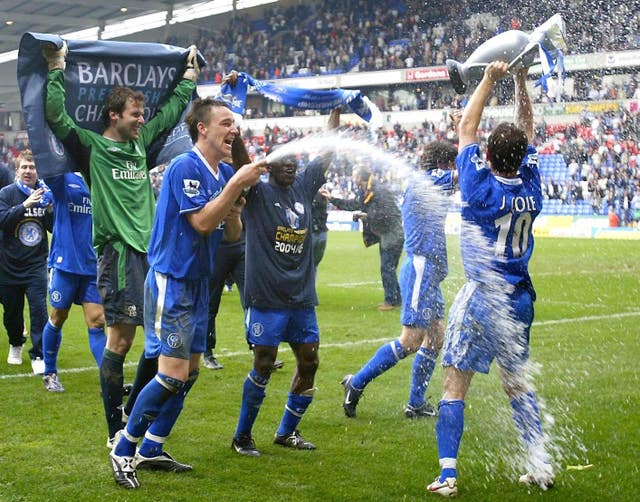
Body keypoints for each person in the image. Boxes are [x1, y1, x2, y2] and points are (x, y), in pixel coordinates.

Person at [43, 42, 199, 445]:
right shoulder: (93, 147)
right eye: (134, 115)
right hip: (117, 252)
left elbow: (169, 113)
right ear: (114, 115)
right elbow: (56, 116)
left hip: (152, 252)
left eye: (141, 115)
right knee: (121, 340)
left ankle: (130, 414)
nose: (141, 120)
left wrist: (189, 75)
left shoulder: (140, 144)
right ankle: (116, 430)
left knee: (158, 339)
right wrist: (57, 66)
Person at [109, 97, 267, 489]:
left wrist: (234, 206)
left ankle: (152, 448)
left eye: (235, 123)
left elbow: (231, 234)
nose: (235, 130)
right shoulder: (186, 167)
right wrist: (233, 185)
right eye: (227, 123)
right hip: (172, 280)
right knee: (173, 374)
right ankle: (123, 448)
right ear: (203, 128)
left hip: (197, 283)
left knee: (190, 373)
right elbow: (199, 222)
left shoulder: (219, 172)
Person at [427, 62, 553, 497]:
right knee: (517, 384)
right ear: (522, 158)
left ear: (488, 157)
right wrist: (521, 82)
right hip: (519, 299)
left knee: (455, 382)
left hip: (483, 297)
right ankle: (539, 464)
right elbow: (527, 131)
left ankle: (447, 474)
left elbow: (466, 125)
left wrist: (488, 79)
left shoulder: (479, 187)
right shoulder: (532, 188)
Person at [230, 108, 340, 457]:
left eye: (294, 160)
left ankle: (286, 432)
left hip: (301, 298)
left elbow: (328, 151)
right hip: (266, 297)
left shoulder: (305, 187)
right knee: (263, 363)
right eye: (284, 161)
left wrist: (334, 109)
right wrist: (234, 131)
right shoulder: (258, 194)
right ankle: (242, 436)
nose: (291, 165)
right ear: (270, 165)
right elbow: (240, 160)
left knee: (309, 362)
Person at [341, 141, 458, 419]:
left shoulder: (423, 181)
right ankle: (356, 383)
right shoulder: (428, 182)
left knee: (436, 335)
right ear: (442, 164)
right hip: (420, 267)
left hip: (427, 271)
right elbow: (465, 172)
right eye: (451, 163)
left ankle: (415, 403)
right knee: (410, 340)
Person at [40, 171, 106, 392]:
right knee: (58, 316)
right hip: (65, 263)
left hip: (91, 264)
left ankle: (109, 379)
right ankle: (50, 373)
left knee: (97, 321)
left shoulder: (98, 178)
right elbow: (48, 174)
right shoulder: (63, 177)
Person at [322, 166, 403, 311]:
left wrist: (366, 216)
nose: (353, 178)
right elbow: (352, 204)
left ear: (360, 177)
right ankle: (395, 299)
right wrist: (332, 199)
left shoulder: (379, 191)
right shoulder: (364, 191)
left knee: (387, 268)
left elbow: (390, 214)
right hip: (386, 235)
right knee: (388, 267)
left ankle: (391, 301)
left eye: (355, 175)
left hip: (393, 234)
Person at [0, 149, 53, 374]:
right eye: (24, 167)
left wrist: (50, 209)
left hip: (35, 264)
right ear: (17, 169)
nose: (28, 171)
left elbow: (53, 228)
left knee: (39, 309)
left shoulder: (46, 194)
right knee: (12, 312)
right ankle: (15, 343)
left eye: (32, 167)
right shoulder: (6, 193)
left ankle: (39, 353)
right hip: (8, 265)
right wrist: (25, 205)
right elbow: (3, 221)